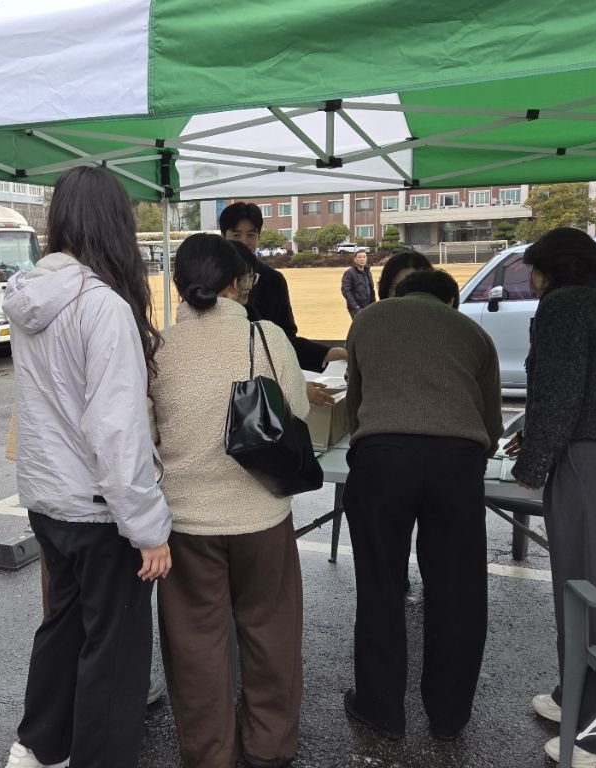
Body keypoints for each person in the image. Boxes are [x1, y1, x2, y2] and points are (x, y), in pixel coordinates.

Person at [1, 166, 173, 768]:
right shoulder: (102, 305)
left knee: (64, 625)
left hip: (47, 498)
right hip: (100, 509)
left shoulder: (30, 295)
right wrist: (149, 528)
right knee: (116, 650)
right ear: (115, 224)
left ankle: (40, 746)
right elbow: (117, 427)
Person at [151, 234, 307, 768]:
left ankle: (208, 753)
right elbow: (298, 412)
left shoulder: (159, 349)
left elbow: (147, 437)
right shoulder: (267, 339)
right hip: (262, 514)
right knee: (271, 634)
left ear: (180, 284)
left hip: (185, 524)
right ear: (239, 283)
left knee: (195, 645)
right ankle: (269, 746)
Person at [342, 268, 502, 742]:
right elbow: (490, 420)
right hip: (457, 460)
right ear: (450, 300)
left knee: (380, 585)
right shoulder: (473, 332)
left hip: (382, 457)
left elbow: (356, 400)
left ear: (401, 292)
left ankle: (381, 708)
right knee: (458, 591)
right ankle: (449, 715)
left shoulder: (368, 320)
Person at [506, 227, 596, 768]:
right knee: (581, 592)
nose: (531, 283)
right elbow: (581, 390)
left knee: (594, 598)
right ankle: (575, 697)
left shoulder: (564, 306)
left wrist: (531, 464)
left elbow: (560, 391)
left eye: (534, 270)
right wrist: (534, 434)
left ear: (553, 269)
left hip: (585, 464)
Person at [219, 202, 346, 405]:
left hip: (265, 395)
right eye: (236, 235)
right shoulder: (211, 280)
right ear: (223, 236)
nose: (244, 241)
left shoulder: (274, 280)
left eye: (251, 235)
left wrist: (326, 353)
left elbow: (285, 339)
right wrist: (293, 388)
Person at [341, 249, 375, 317]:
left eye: (364, 257)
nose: (362, 259)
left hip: (368, 307)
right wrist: (355, 306)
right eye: (359, 257)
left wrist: (374, 304)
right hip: (356, 308)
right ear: (355, 259)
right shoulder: (349, 273)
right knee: (360, 326)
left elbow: (371, 289)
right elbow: (346, 290)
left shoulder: (368, 272)